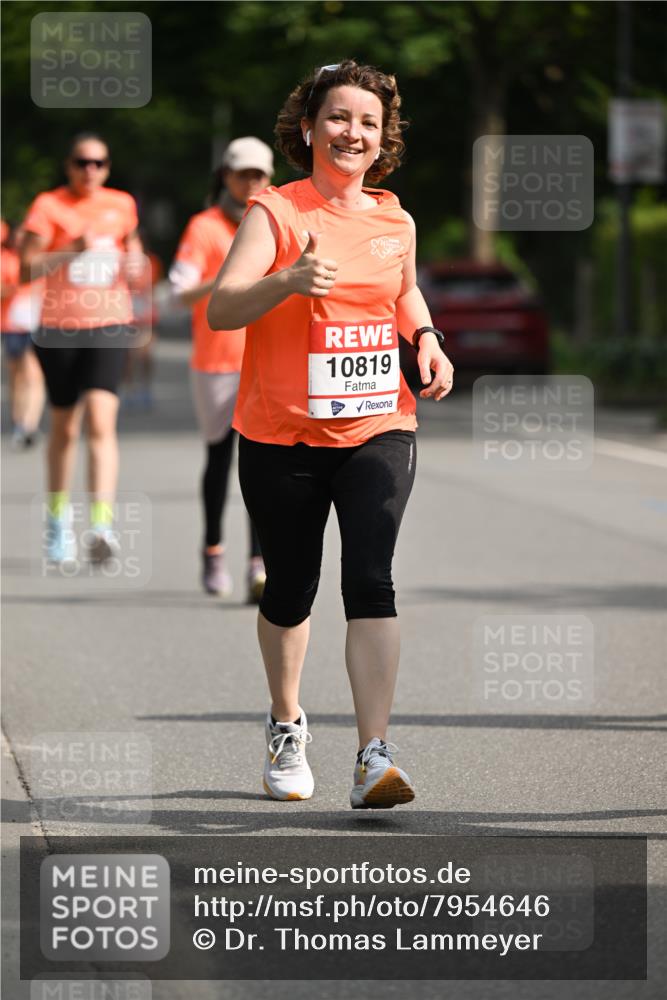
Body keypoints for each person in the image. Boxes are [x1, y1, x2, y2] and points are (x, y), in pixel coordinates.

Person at [207, 61, 453, 808]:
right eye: (339, 118)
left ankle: (372, 755)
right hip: (282, 432)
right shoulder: (274, 213)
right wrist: (284, 281)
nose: (353, 132)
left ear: (384, 141)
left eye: (368, 124)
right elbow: (221, 309)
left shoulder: (393, 217)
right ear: (308, 127)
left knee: (371, 577)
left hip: (380, 421)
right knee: (289, 587)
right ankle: (286, 725)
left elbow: (403, 288)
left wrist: (428, 338)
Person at [20, 132, 143, 564]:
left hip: (109, 325)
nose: (89, 170)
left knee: (100, 419)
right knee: (64, 428)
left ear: (107, 167)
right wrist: (68, 250)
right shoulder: (48, 205)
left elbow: (133, 251)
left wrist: (135, 262)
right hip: (58, 329)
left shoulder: (122, 204)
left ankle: (102, 526)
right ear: (68, 165)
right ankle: (57, 522)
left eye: (99, 163)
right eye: (81, 162)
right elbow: (25, 268)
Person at [169, 138, 272, 601]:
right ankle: (213, 549)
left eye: (259, 175)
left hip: (266, 361)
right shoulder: (204, 227)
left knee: (261, 462)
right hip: (215, 363)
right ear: (226, 176)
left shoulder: (277, 221)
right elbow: (180, 294)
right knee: (219, 458)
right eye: (242, 174)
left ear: (269, 178)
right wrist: (228, 277)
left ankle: (258, 562)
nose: (251, 182)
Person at [1, 220, 46, 448]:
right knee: (17, 376)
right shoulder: (5, 260)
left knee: (34, 373)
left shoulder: (41, 261)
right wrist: (13, 288)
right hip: (10, 325)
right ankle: (18, 422)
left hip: (36, 324)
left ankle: (30, 425)